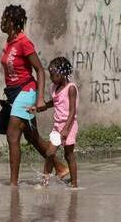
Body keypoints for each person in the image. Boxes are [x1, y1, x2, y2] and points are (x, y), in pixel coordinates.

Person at [0, 4, 68, 186]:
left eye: (4, 18)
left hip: (27, 90)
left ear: (12, 21)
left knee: (12, 134)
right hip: (14, 93)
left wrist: (39, 99)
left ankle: (13, 185)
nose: (1, 21)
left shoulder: (24, 42)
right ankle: (61, 167)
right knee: (32, 137)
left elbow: (40, 70)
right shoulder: (9, 42)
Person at [29, 57, 79, 187]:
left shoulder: (71, 88)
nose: (51, 78)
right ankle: (45, 183)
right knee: (49, 153)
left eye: (54, 75)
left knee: (69, 155)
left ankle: (74, 184)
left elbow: (72, 111)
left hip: (69, 125)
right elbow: (54, 102)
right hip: (57, 126)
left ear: (63, 74)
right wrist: (40, 107)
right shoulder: (54, 87)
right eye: (50, 74)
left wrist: (66, 129)